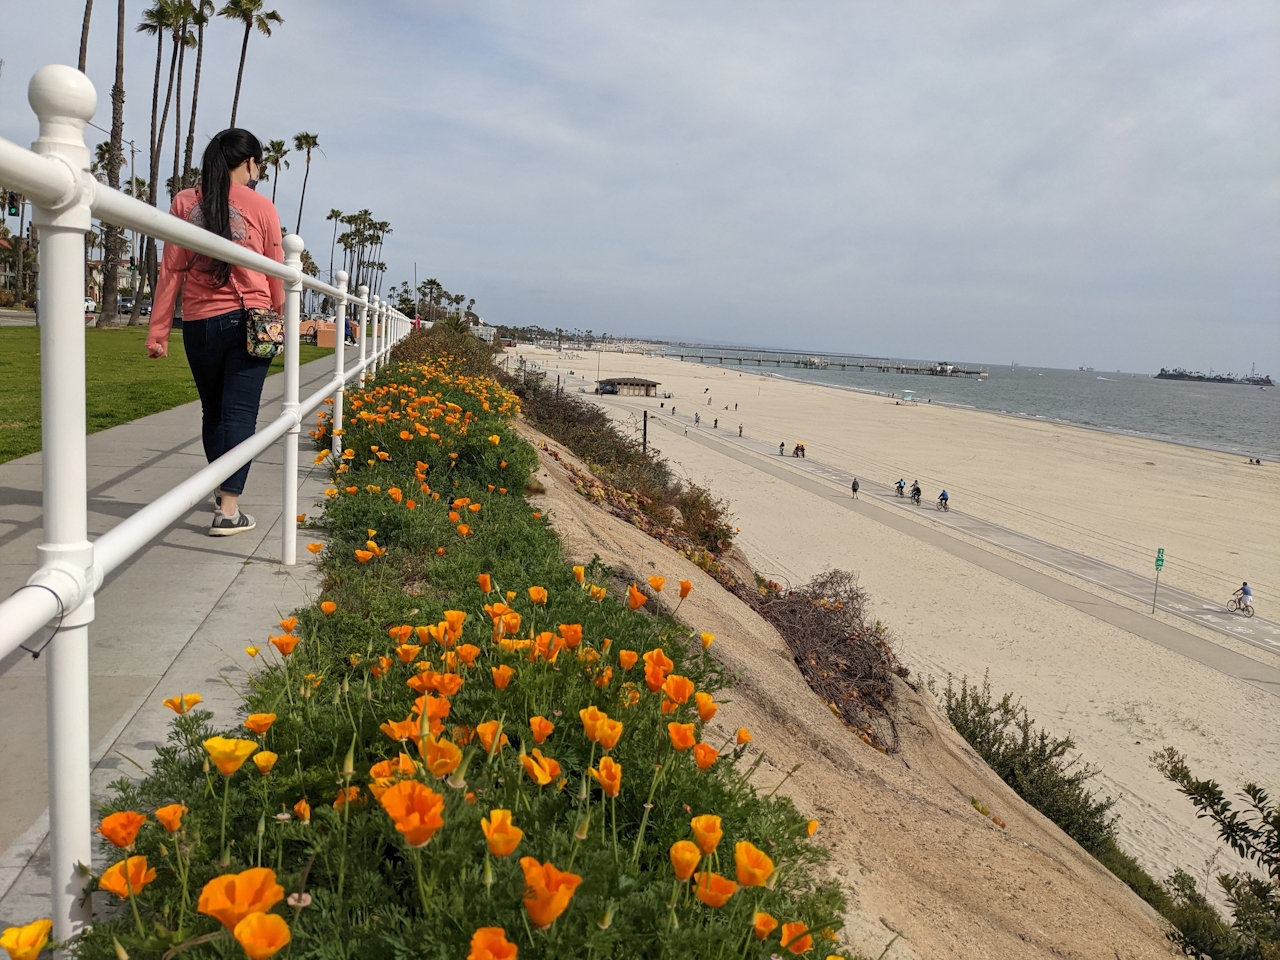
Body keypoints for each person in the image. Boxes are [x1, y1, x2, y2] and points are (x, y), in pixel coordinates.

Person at [147, 129, 283, 537]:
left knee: (214, 411)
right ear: (249, 163)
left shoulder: (185, 202)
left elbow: (171, 268)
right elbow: (277, 273)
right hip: (250, 319)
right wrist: (283, 321)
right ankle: (229, 508)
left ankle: (222, 486)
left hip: (199, 323)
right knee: (240, 413)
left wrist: (158, 331)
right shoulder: (262, 206)